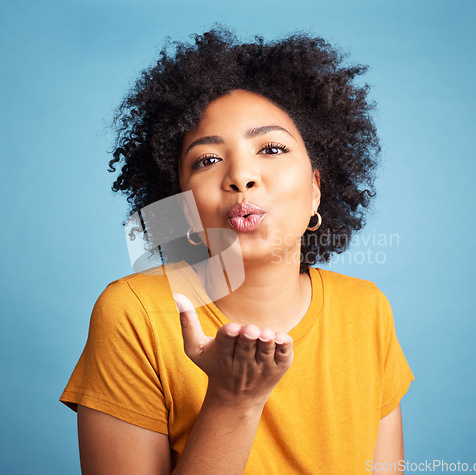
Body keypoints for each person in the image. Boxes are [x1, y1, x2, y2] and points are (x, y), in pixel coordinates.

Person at [60, 27, 414, 473]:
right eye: (207, 160)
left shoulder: (366, 310)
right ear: (182, 207)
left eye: (271, 148)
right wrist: (233, 401)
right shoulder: (135, 315)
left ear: (316, 191)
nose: (240, 176)